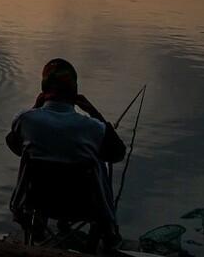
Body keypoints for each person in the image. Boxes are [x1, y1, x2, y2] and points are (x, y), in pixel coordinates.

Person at [7, 58, 126, 247]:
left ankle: (36, 228)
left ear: (44, 90)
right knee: (101, 162)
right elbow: (117, 154)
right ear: (75, 92)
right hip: (85, 206)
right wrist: (94, 112)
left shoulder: (25, 119)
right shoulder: (94, 128)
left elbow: (15, 147)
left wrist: (36, 108)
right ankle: (106, 232)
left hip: (37, 201)